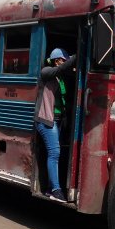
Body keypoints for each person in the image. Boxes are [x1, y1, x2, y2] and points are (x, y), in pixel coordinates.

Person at [34, 48, 76, 202]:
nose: (64, 63)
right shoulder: (47, 72)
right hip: (46, 120)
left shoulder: (61, 77)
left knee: (54, 153)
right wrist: (76, 56)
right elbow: (61, 69)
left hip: (57, 120)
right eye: (63, 60)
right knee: (54, 152)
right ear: (57, 60)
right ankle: (55, 190)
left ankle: (49, 188)